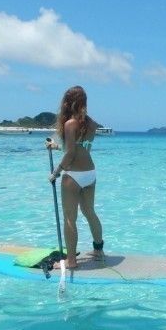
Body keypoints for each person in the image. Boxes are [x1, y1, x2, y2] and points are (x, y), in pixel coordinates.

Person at [46, 86, 104, 269]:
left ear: (68, 103)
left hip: (73, 175)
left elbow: (71, 154)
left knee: (70, 218)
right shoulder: (92, 124)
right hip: (90, 174)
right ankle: (99, 251)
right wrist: (56, 147)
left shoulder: (70, 123)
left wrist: (56, 172)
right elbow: (81, 148)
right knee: (90, 212)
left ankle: (71, 261)